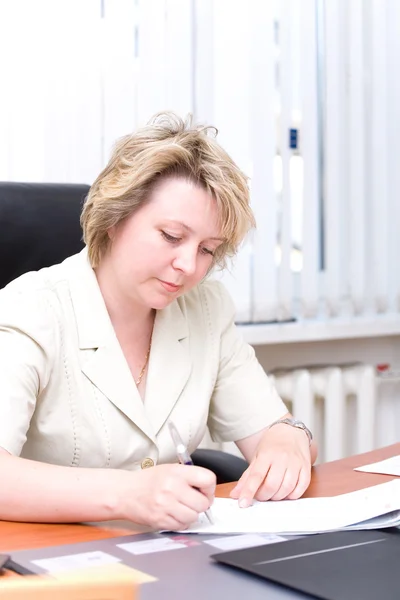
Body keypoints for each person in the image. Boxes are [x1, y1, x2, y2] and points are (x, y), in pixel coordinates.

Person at [0, 112, 317, 530]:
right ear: (114, 218)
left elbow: (271, 428)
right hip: (54, 560)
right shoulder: (30, 310)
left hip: (171, 557)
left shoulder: (205, 309)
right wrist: (129, 494)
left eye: (208, 249)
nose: (188, 265)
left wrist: (288, 440)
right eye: (171, 236)